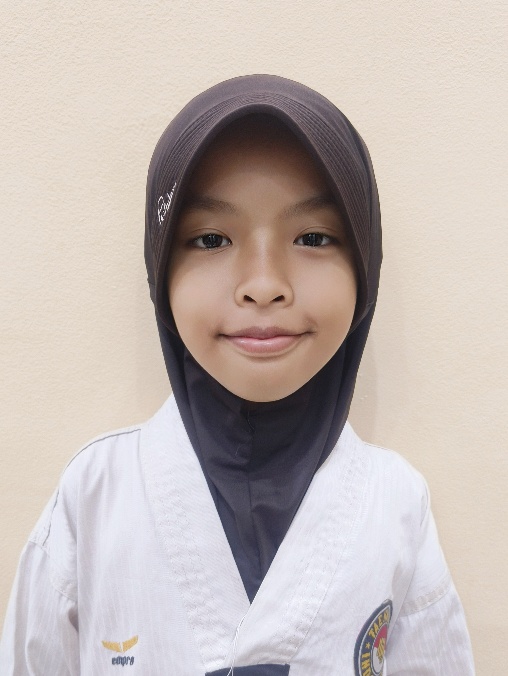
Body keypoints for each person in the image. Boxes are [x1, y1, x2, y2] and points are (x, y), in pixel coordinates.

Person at [0, 75, 475, 675]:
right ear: (160, 268)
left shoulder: (397, 503)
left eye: (313, 237)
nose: (263, 284)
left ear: (364, 264)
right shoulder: (92, 498)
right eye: (210, 239)